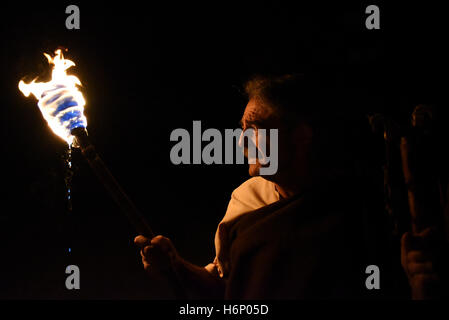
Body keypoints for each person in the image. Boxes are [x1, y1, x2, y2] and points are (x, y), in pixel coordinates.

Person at [134, 74, 444, 299]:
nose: (241, 141)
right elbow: (227, 287)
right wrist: (177, 266)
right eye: (241, 130)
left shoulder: (358, 205)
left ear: (301, 135)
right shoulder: (247, 198)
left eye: (253, 129)